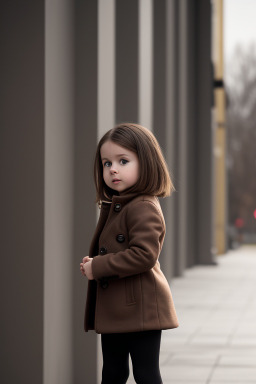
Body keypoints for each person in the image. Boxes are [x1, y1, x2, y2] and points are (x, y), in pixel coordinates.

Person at [80, 123, 179, 384]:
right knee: (113, 371)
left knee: (145, 373)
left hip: (141, 307)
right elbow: (118, 249)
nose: (112, 169)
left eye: (123, 161)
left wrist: (99, 266)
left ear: (145, 163)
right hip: (119, 307)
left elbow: (144, 255)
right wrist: (96, 263)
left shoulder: (143, 206)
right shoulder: (122, 205)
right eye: (106, 163)